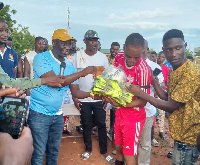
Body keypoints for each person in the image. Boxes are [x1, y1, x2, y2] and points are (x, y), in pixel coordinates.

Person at [127, 29, 200, 165]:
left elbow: (171, 106)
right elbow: (167, 97)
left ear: (185, 46)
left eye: (178, 48)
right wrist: (153, 80)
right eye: (168, 50)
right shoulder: (174, 69)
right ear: (163, 50)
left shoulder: (190, 73)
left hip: (189, 136)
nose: (173, 54)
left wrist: (141, 94)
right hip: (181, 133)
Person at [28, 29, 96, 165]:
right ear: (54, 43)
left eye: (69, 43)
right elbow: (56, 82)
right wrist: (82, 73)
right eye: (64, 43)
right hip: (39, 114)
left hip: (58, 115)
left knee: (54, 151)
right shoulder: (41, 58)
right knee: (39, 152)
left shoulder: (69, 64)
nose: (68, 47)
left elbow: (76, 92)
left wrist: (94, 94)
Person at [106, 33, 151, 165]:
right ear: (124, 48)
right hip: (119, 113)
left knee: (128, 154)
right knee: (118, 148)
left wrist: (120, 103)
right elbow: (112, 80)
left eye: (136, 57)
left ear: (142, 52)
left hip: (134, 117)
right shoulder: (118, 58)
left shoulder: (143, 70)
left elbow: (143, 101)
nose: (131, 60)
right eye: (128, 55)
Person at [72, 30, 115, 163]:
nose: (94, 42)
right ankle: (88, 149)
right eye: (91, 40)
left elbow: (108, 78)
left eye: (96, 40)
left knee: (101, 125)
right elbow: (72, 78)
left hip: (98, 98)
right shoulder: (77, 55)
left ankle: (104, 151)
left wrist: (106, 97)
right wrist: (74, 97)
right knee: (86, 124)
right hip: (83, 98)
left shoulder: (102, 57)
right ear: (84, 41)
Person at [137, 40, 163, 165]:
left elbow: (161, 91)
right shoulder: (129, 65)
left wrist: (155, 81)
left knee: (145, 143)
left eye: (143, 48)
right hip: (131, 110)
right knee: (131, 141)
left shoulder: (155, 67)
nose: (141, 51)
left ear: (146, 50)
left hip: (147, 111)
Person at [157, 51, 170, 139]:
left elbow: (167, 82)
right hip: (151, 93)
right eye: (159, 56)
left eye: (162, 57)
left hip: (161, 93)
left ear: (164, 58)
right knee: (152, 114)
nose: (160, 58)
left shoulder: (166, 68)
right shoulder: (154, 67)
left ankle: (161, 131)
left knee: (161, 113)